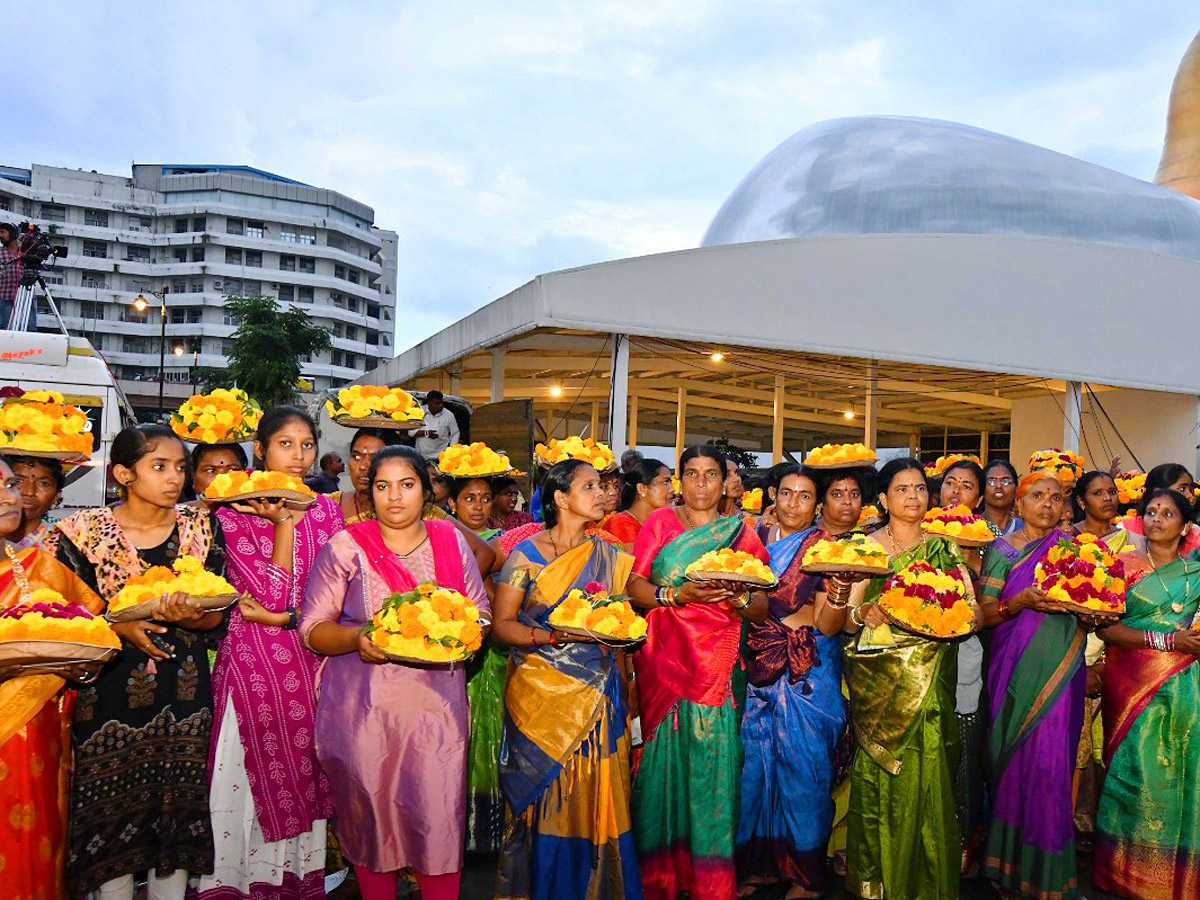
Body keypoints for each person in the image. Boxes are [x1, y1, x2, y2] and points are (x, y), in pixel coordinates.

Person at [49, 423, 227, 900]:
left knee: (176, 820)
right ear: (123, 474)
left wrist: (196, 616)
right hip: (105, 702)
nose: (175, 479)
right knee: (111, 821)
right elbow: (55, 621)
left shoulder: (202, 527)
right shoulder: (78, 535)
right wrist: (117, 627)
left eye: (180, 468)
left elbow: (218, 620)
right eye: (159, 466)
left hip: (183, 698)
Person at [301, 446, 488, 900]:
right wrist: (357, 639)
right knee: (371, 823)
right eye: (382, 486)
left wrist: (462, 630)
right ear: (370, 492)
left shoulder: (449, 540)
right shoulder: (346, 546)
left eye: (407, 485)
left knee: (440, 820)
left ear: (427, 490)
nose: (395, 498)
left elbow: (479, 613)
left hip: (436, 711)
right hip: (364, 713)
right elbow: (312, 628)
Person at [198, 406, 344, 900]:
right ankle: (234, 885)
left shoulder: (327, 511)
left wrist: (289, 617)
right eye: (285, 443)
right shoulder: (234, 510)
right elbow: (274, 593)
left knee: (305, 771)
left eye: (307, 444)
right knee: (242, 780)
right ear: (259, 450)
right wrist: (282, 524)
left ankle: (293, 884)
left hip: (313, 662)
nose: (298, 456)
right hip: (254, 664)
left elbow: (335, 596)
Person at [623, 444, 771, 900]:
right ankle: (661, 879)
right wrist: (676, 597)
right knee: (660, 773)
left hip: (719, 668)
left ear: (726, 482)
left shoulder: (740, 534)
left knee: (715, 773)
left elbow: (762, 604)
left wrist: (737, 597)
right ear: (679, 482)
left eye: (711, 474)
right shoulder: (660, 524)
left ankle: (711, 883)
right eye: (691, 474)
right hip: (663, 663)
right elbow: (635, 585)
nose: (701, 484)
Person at [493, 459, 642, 900]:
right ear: (560, 498)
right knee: (547, 792)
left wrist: (627, 685)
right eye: (590, 486)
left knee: (597, 792)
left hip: (599, 691)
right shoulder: (527, 556)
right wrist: (550, 635)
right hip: (539, 692)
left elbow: (620, 623)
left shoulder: (609, 556)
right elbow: (502, 624)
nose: (602, 494)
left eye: (603, 486)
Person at [838, 458, 974, 900]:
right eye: (902, 489)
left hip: (931, 679)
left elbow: (968, 614)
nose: (913, 497)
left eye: (919, 488)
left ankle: (928, 885)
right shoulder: (865, 546)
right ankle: (878, 885)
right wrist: (866, 611)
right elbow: (847, 622)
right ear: (883, 497)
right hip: (879, 685)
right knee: (878, 780)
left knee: (930, 770)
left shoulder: (944, 547)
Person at [977, 472, 1102, 900]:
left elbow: (1094, 606)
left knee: (1052, 768)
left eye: (1055, 497)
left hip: (1061, 673)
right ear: (1018, 504)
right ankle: (1007, 869)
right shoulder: (1001, 550)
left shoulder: (1077, 551)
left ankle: (1048, 875)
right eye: (1036, 496)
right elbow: (983, 614)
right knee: (1012, 767)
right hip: (1012, 672)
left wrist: (1091, 616)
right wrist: (1021, 602)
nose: (1047, 504)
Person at [737, 463, 849, 899]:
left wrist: (840, 587)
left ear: (817, 505)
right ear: (773, 496)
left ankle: (804, 873)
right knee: (752, 772)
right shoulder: (752, 541)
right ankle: (758, 865)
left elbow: (827, 623)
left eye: (805, 496)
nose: (793, 503)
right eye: (787, 493)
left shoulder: (828, 550)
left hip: (807, 674)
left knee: (803, 772)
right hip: (754, 671)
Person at [0, 456, 105, 899]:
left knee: (34, 850)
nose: (11, 496)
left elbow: (88, 634)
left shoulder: (37, 565)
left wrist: (80, 664)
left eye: (8, 485)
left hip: (35, 739)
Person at [1093, 487, 1200, 899]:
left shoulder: (1195, 573)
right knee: (1134, 773)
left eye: (1168, 513)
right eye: (1151, 511)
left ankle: (1174, 880)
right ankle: (1124, 875)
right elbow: (1106, 626)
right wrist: (1169, 642)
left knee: (1180, 776)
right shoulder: (1121, 564)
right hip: (1131, 685)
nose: (1157, 518)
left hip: (1184, 688)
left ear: (1185, 526)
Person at [336, 429, 399, 525]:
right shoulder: (328, 506)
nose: (363, 467)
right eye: (356, 457)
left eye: (374, 459)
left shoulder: (416, 513)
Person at [606, 458, 673, 547]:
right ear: (642, 489)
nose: (672, 489)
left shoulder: (663, 523)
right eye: (665, 483)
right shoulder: (619, 524)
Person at [5, 454, 64, 549]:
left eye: (43, 484)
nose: (29, 492)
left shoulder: (63, 546)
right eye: (18, 481)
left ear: (56, 497)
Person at [413, 390, 460, 461]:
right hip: (420, 457)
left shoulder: (448, 415)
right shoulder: (419, 412)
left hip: (440, 457)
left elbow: (455, 433)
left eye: (442, 403)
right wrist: (426, 433)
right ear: (429, 403)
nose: (440, 406)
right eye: (437, 403)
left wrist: (450, 452)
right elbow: (411, 432)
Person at [981, 460, 1022, 538]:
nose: (999, 486)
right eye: (991, 481)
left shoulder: (1024, 529)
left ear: (1016, 489)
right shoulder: (971, 526)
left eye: (1005, 481)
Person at [0, 222, 21, 329]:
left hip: (25, 294)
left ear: (12, 233)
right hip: (5, 295)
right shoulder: (0, 252)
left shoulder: (25, 250)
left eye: (3, 232)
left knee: (31, 327)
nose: (0, 236)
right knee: (4, 327)